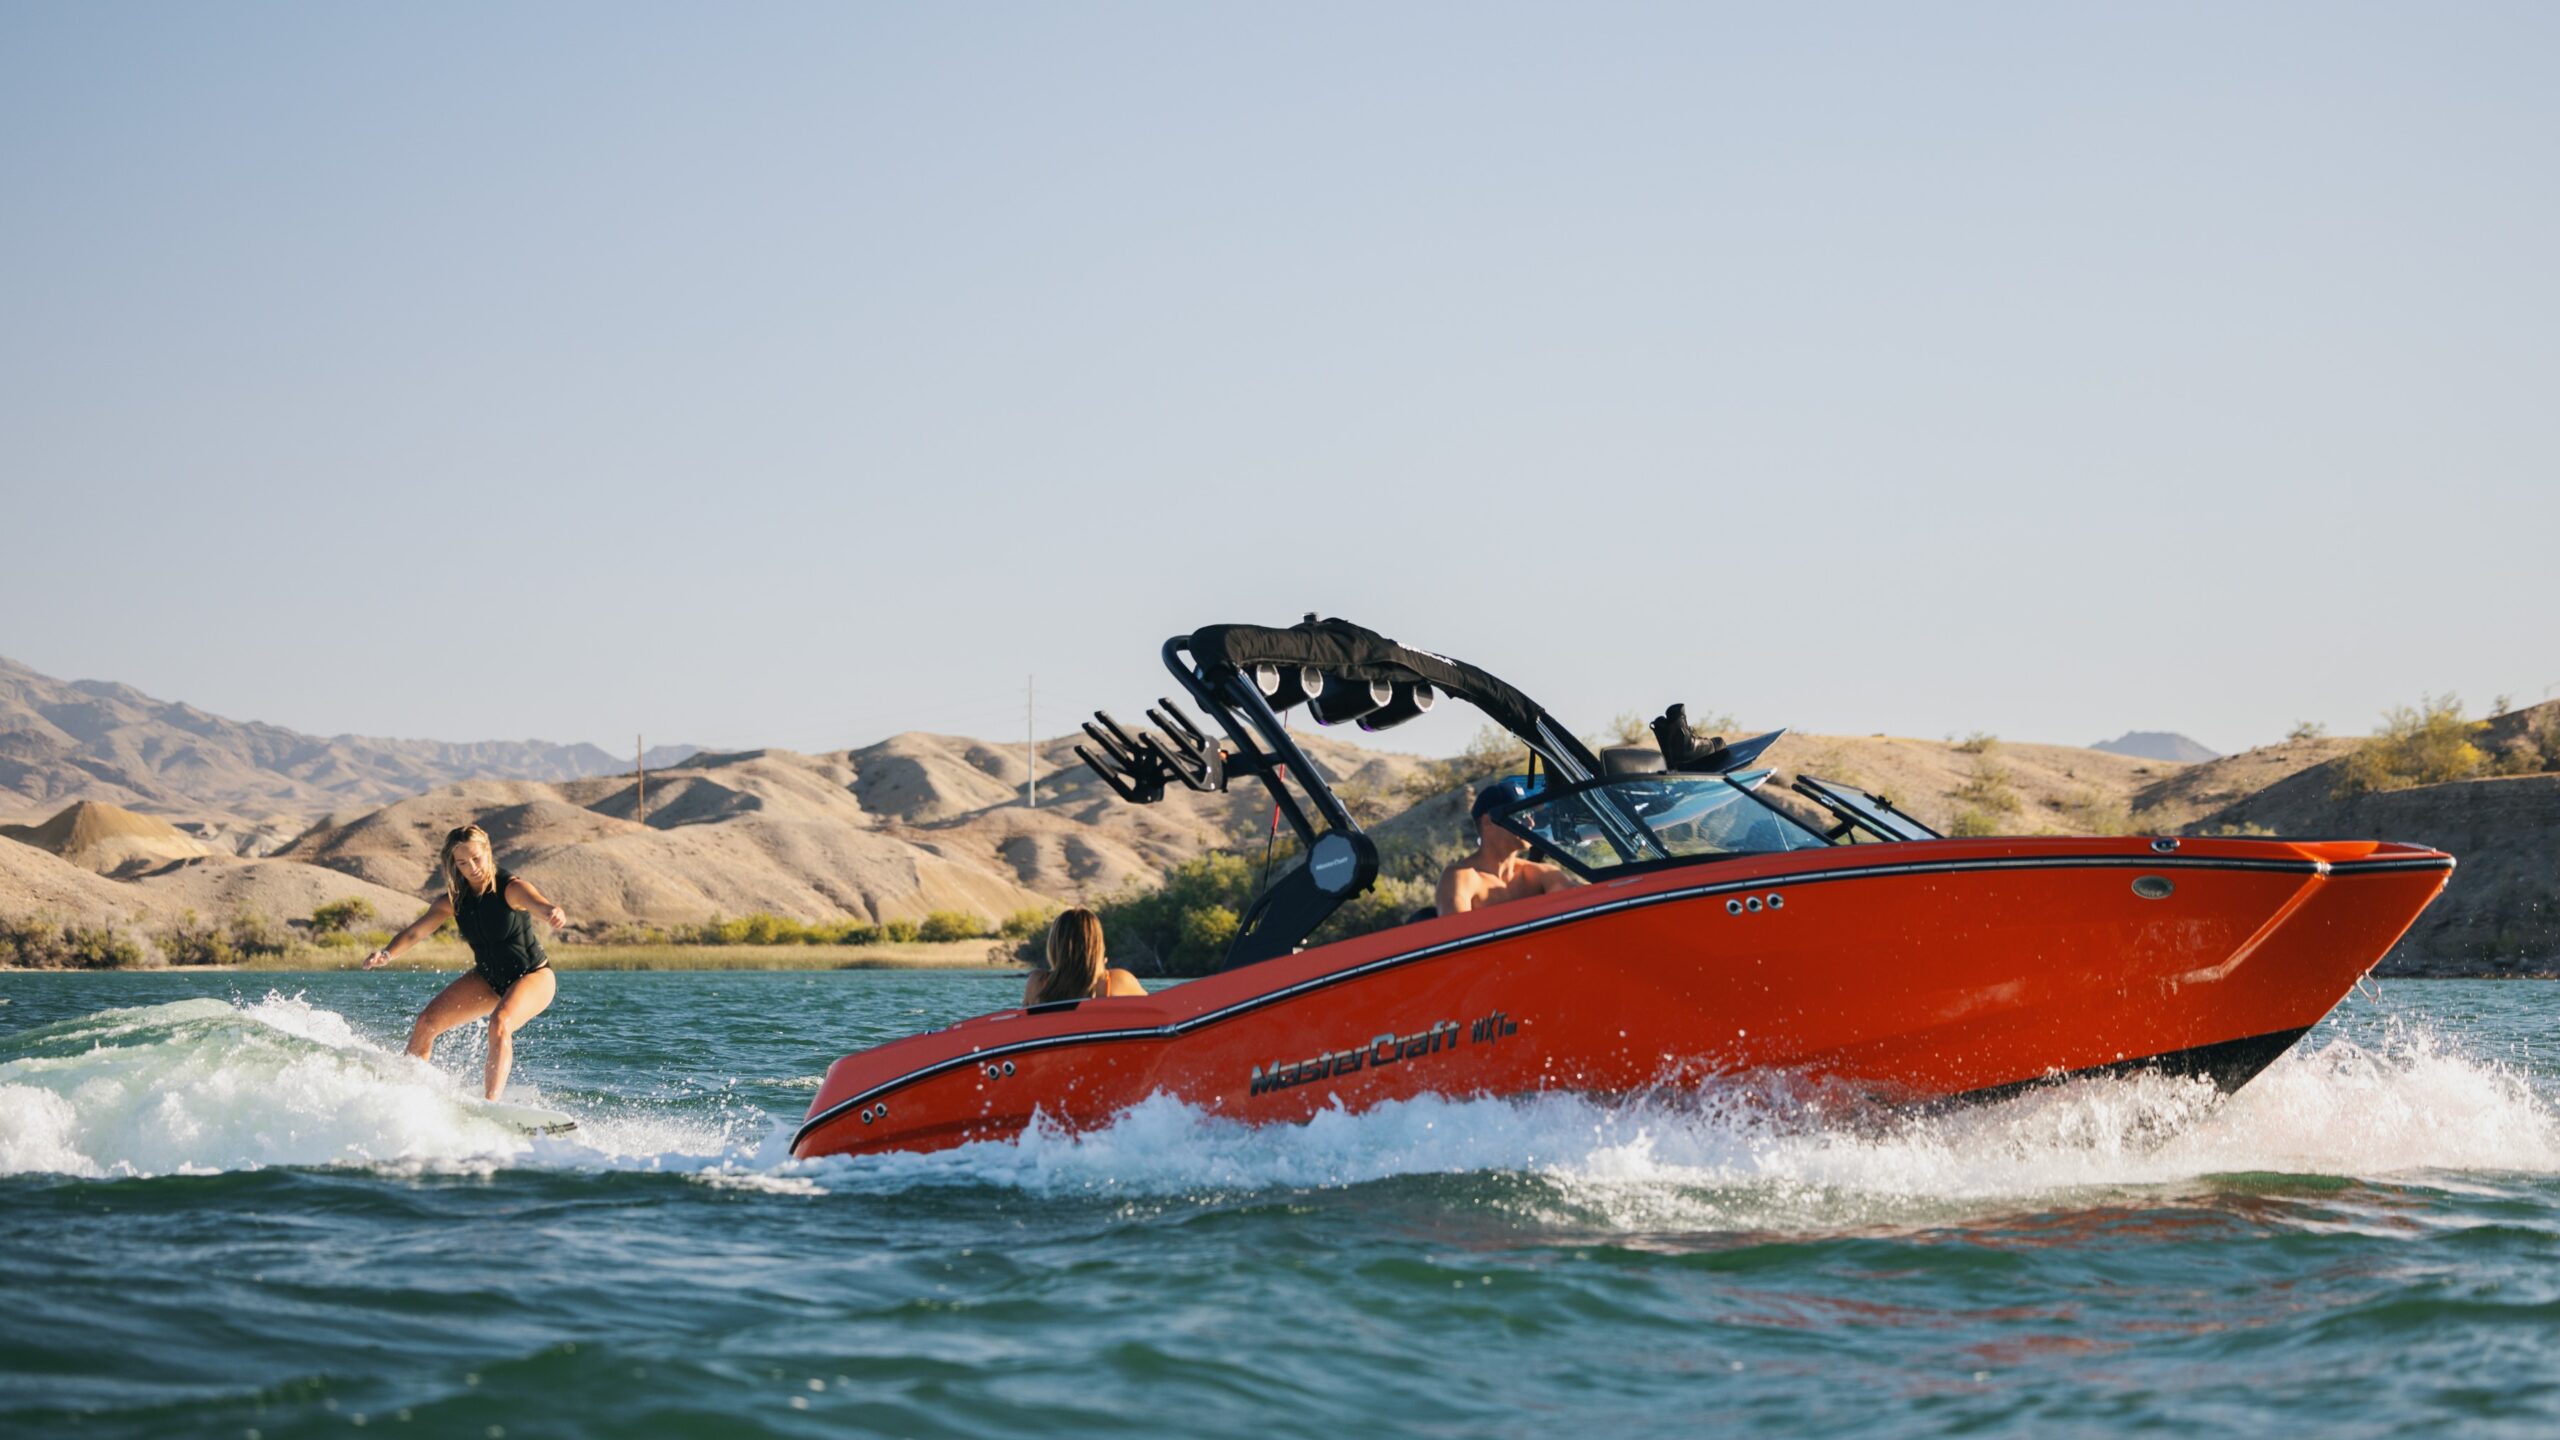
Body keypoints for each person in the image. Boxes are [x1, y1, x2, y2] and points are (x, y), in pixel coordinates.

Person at [364, 823, 568, 1099]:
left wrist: (552, 912)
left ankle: (490, 1105)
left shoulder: (511, 888)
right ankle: (403, 1093)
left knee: (500, 1022)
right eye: (462, 862)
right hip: (488, 979)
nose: (471, 867)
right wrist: (386, 954)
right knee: (427, 1022)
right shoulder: (454, 900)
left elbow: (539, 903)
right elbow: (416, 931)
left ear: (488, 852)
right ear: (454, 865)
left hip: (534, 976)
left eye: (476, 858)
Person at [1436, 777, 1580, 916]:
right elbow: (1456, 935)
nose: (1531, 823)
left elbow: (1584, 903)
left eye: (1530, 814)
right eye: (1521, 815)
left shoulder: (1542, 874)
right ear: (1488, 821)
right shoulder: (1461, 877)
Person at [1023, 907, 1148, 1005]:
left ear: (1054, 947)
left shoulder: (1037, 983)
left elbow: (1023, 1025)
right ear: (1098, 946)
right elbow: (1155, 1013)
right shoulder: (1118, 981)